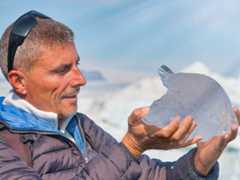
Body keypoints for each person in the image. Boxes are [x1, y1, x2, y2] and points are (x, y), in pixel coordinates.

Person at [0, 10, 238, 180]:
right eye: (62, 70)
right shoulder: (5, 144)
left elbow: (145, 174)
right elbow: (125, 158)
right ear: (19, 81)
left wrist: (200, 163)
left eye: (77, 66)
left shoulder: (82, 127)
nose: (81, 79)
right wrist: (132, 145)